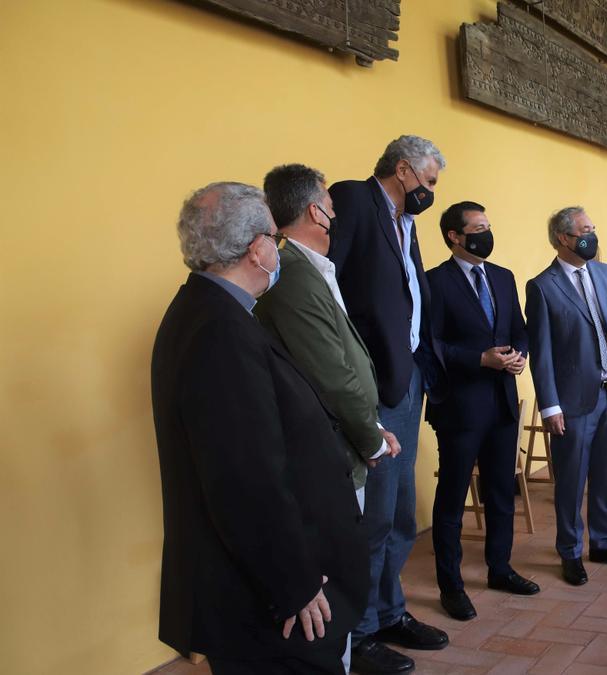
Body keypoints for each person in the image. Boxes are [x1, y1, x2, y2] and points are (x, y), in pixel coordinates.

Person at [151, 182, 368, 674]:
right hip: (269, 609)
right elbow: (245, 480)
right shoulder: (220, 332)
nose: (278, 247)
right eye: (276, 237)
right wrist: (294, 584)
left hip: (261, 594)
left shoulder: (212, 311)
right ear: (257, 249)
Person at [253, 164, 402, 673]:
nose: (335, 215)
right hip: (329, 450)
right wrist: (373, 438)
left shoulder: (309, 266)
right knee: (331, 577)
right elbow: (331, 373)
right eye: (331, 206)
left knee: (343, 570)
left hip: (344, 440)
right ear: (316, 210)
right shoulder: (291, 273)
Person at [328, 136, 449, 672]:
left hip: (407, 379)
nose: (430, 194)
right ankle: (359, 631)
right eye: (428, 183)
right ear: (402, 170)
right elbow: (327, 285)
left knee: (401, 512)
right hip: (372, 383)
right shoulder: (354, 198)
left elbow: (409, 295)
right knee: (373, 518)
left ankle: (390, 612)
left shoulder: (407, 221)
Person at [425, 202, 541, 622]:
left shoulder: (503, 277)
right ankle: (451, 587)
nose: (486, 234)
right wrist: (480, 359)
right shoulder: (433, 282)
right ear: (455, 236)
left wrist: (519, 356)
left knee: (500, 493)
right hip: (459, 406)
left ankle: (500, 568)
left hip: (503, 403)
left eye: (488, 226)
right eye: (478, 228)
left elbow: (520, 331)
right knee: (452, 500)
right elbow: (431, 345)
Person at [526, 206, 607, 586]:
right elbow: (541, 352)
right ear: (563, 238)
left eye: (593, 228)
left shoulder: (606, 274)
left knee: (606, 477)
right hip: (573, 403)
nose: (592, 235)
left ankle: (604, 542)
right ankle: (570, 552)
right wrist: (550, 404)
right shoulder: (542, 286)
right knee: (571, 482)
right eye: (584, 230)